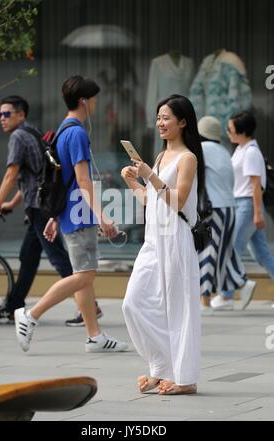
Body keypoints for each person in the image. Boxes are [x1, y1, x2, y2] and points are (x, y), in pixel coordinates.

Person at [13, 75, 128, 353]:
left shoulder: (64, 129)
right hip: (79, 215)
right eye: (94, 99)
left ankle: (94, 336)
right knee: (84, 276)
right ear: (83, 101)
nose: (96, 104)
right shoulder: (76, 132)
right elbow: (83, 180)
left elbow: (65, 182)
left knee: (83, 275)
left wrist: (55, 217)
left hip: (72, 213)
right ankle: (30, 315)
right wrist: (102, 215)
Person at [0, 95, 103, 325]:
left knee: (59, 259)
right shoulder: (33, 133)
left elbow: (12, 174)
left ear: (21, 114)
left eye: (7, 114)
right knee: (28, 257)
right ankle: (14, 304)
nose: (2, 119)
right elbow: (35, 177)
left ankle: (89, 307)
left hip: (40, 207)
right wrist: (13, 204)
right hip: (39, 204)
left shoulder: (18, 136)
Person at [122, 94, 203, 395]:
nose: (160, 122)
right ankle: (161, 366)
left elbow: (177, 200)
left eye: (166, 117)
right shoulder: (158, 158)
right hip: (153, 241)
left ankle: (184, 378)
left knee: (178, 310)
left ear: (183, 122)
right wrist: (133, 182)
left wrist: (149, 176)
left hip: (176, 241)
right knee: (134, 303)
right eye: (158, 117)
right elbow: (151, 202)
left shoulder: (188, 158)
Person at [197, 116, 256, 314]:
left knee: (207, 251)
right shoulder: (223, 150)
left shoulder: (202, 151)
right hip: (229, 207)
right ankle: (242, 283)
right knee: (224, 251)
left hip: (213, 208)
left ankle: (204, 301)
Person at [216, 111, 274, 306]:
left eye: (231, 129)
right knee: (262, 254)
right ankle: (227, 294)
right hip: (241, 204)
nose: (228, 132)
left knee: (231, 249)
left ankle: (226, 295)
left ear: (242, 131)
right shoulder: (241, 149)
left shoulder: (250, 152)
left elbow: (255, 185)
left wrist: (257, 213)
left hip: (247, 205)